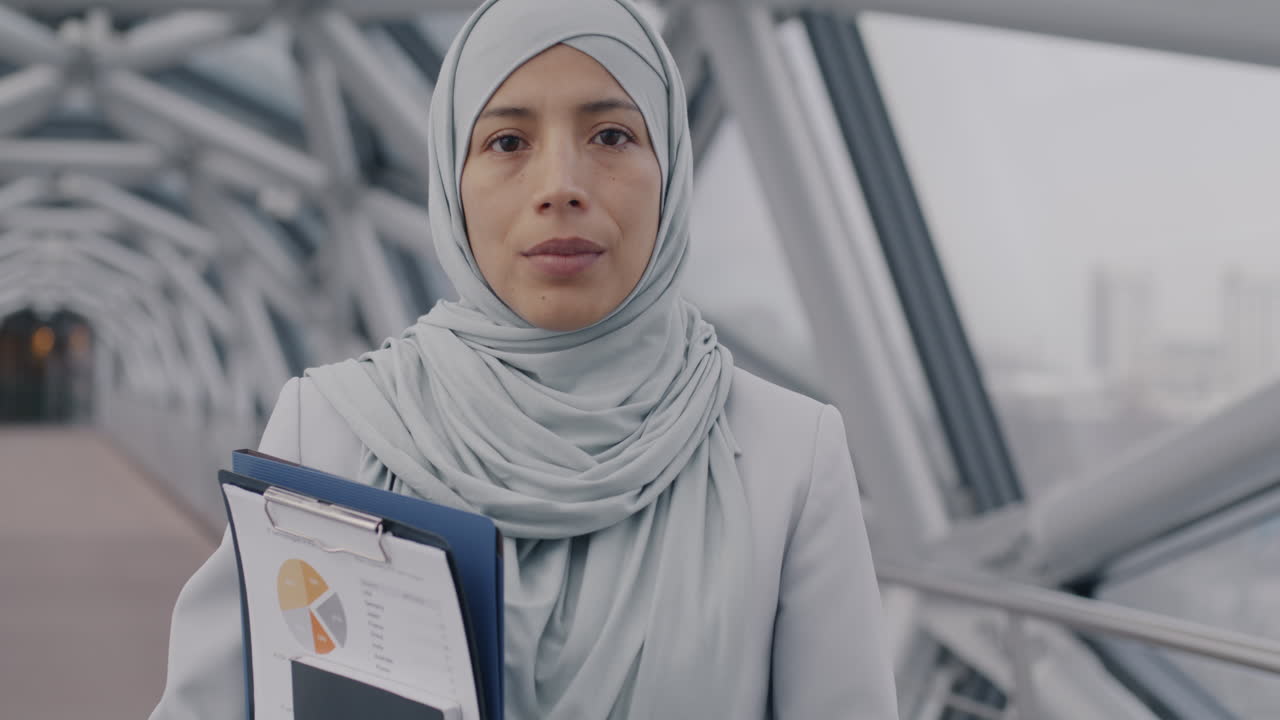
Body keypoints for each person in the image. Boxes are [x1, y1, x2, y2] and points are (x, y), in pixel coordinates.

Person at [150, 0, 899, 717]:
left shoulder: (791, 458)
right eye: (508, 142)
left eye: (611, 136)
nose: (560, 188)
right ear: (453, 181)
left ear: (670, 166)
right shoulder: (334, 429)